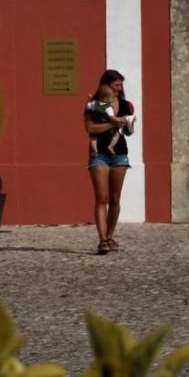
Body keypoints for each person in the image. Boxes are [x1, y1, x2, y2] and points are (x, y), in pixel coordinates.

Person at [84, 70, 135, 254]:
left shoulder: (125, 105)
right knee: (101, 198)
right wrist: (113, 123)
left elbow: (129, 132)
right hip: (98, 155)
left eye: (121, 85)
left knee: (115, 199)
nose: (120, 88)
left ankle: (110, 235)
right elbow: (89, 127)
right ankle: (102, 239)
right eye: (116, 85)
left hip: (120, 154)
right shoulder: (94, 105)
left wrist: (128, 124)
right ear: (106, 85)